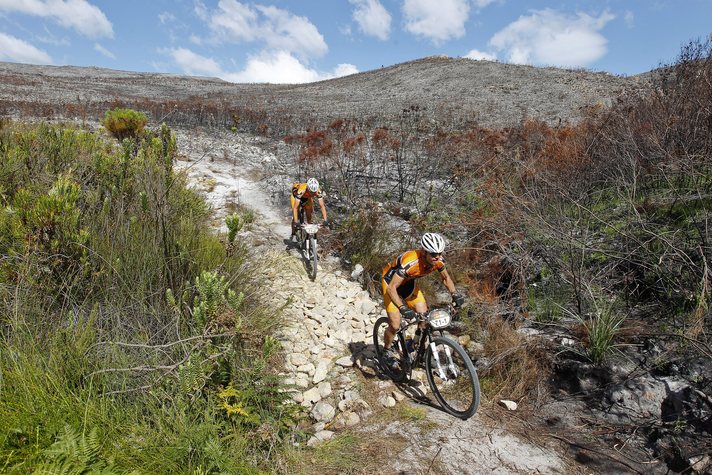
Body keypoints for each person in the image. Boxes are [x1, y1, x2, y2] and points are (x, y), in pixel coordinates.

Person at [381, 232, 465, 358]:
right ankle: (386, 349)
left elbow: (446, 278)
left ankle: (415, 344)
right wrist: (402, 308)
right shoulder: (411, 263)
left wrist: (455, 294)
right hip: (390, 284)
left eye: (440, 253)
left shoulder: (438, 261)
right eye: (433, 254)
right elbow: (392, 288)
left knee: (424, 317)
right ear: (424, 252)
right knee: (395, 324)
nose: (437, 257)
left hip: (408, 284)